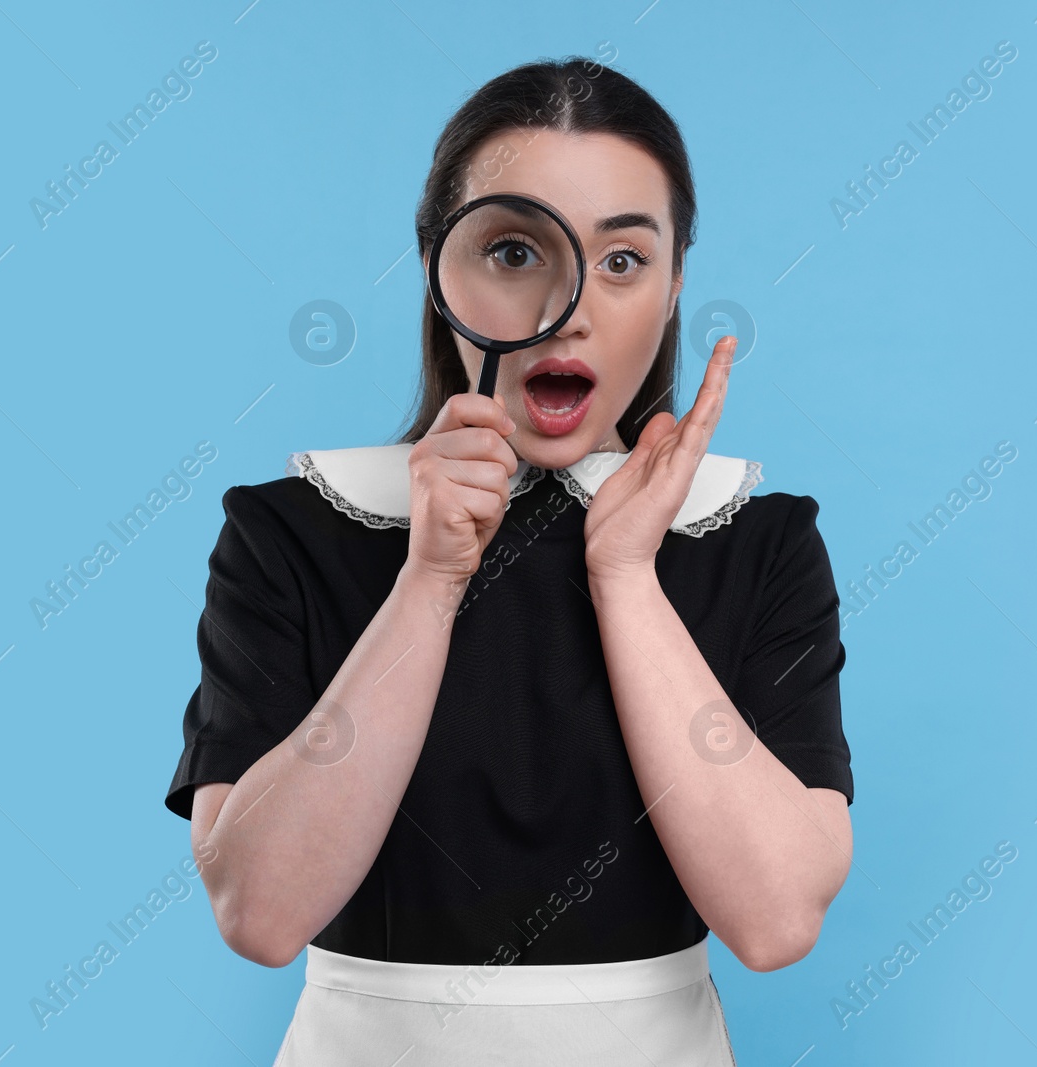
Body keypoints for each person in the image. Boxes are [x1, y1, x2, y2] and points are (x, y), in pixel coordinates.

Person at [164, 55, 854, 1065]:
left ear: (671, 292)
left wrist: (624, 575)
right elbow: (259, 913)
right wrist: (429, 581)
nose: (568, 310)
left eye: (621, 260)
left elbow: (776, 919)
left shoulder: (759, 540)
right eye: (515, 249)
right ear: (441, 270)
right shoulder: (289, 533)